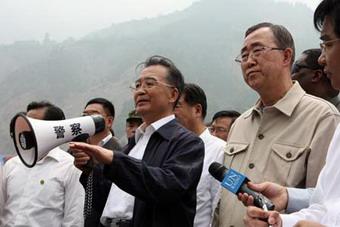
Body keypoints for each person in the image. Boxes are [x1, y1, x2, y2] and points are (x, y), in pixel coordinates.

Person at [214, 22, 340, 227]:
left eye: (257, 51)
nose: (249, 61)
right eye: (244, 56)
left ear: (286, 56)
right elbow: (225, 198)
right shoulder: (240, 124)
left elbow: (327, 202)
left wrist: (285, 205)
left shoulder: (322, 118)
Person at [71, 55, 205, 227]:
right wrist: (91, 169)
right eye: (137, 85)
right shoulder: (134, 143)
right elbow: (110, 195)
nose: (140, 91)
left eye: (149, 84)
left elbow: (168, 186)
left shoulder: (188, 143)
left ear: (173, 94)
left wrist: (114, 160)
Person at [0, 101, 84, 227]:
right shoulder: (11, 165)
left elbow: (74, 219)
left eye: (32, 124)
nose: (24, 129)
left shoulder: (71, 166)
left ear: (53, 128)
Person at [174, 83, 225, 227]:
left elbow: (218, 204)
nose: (171, 113)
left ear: (197, 110)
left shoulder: (219, 150)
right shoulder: (169, 148)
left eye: (177, 106)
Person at [79, 98, 122, 227]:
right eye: (84, 115)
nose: (87, 118)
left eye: (93, 114)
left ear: (109, 121)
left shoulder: (120, 152)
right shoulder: (76, 151)